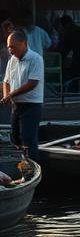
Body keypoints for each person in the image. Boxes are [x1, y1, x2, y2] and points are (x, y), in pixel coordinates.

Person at [1, 28, 43, 164]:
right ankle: (24, 162)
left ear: (23, 43)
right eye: (9, 47)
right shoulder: (12, 60)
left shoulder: (36, 59)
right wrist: (6, 96)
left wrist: (11, 94)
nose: (10, 50)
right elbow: (6, 81)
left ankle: (33, 167)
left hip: (31, 105)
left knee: (28, 139)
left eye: (13, 46)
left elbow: (32, 83)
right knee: (15, 138)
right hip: (16, 104)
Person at [56, 15, 80, 91]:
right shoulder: (78, 30)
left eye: (62, 27)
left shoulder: (72, 32)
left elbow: (64, 50)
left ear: (66, 24)